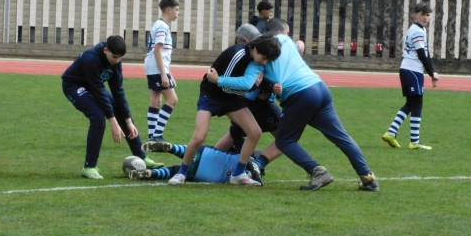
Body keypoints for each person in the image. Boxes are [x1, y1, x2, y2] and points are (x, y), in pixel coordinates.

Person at [214, 18, 378, 192]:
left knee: (284, 141)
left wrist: (218, 80)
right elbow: (299, 46)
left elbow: (247, 84)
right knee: (340, 136)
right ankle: (368, 177)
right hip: (319, 87)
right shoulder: (284, 39)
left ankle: (317, 171)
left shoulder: (257, 61)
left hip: (300, 95)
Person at [167, 34, 282, 186]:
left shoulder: (255, 60)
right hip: (211, 95)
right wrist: (243, 86)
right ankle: (182, 173)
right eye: (264, 58)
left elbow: (250, 83)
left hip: (231, 97)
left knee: (255, 132)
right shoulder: (237, 54)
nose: (265, 62)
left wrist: (269, 87)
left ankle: (238, 174)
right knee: (200, 136)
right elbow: (225, 87)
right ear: (255, 49)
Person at [62, 35, 163, 180]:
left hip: (93, 86)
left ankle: (142, 157)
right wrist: (114, 123)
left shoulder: (116, 61)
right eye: (114, 57)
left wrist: (128, 121)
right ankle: (89, 166)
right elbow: (98, 91)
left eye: (120, 58)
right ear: (105, 50)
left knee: (122, 112)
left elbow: (118, 91)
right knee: (98, 117)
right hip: (74, 86)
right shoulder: (91, 59)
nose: (116, 61)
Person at [382, 1, 440, 150]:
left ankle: (391, 133)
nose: (426, 17)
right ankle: (414, 142)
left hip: (410, 70)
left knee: (411, 104)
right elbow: (421, 54)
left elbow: (425, 53)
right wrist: (431, 73)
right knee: (417, 103)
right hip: (412, 70)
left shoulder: (419, 29)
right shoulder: (417, 31)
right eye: (423, 14)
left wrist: (431, 72)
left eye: (427, 15)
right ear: (416, 15)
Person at [130, 141, 264, 184]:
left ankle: (173, 148)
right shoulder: (247, 176)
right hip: (207, 174)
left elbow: (233, 137)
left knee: (189, 151)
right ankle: (153, 173)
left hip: (209, 155)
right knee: (174, 171)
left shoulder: (243, 155)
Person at [144, 0, 180, 142]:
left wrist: (169, 74)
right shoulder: (162, 27)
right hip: (157, 68)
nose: (178, 13)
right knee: (172, 99)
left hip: (152, 67)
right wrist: (164, 74)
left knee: (156, 101)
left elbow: (161, 53)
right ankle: (157, 135)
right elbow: (158, 50)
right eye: (177, 10)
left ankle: (152, 137)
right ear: (169, 10)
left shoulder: (158, 25)